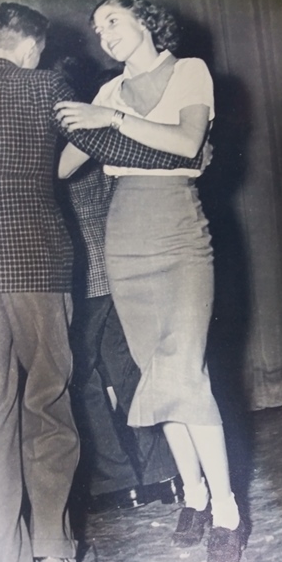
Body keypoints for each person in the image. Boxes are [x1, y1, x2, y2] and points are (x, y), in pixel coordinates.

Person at [0, 2, 208, 562]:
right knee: (49, 406)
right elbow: (108, 149)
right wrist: (186, 154)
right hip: (39, 269)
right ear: (31, 48)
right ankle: (54, 545)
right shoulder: (44, 87)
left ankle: (2, 560)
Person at [56, 0, 245, 562]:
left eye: (112, 20)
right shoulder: (107, 91)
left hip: (180, 230)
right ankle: (194, 495)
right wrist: (64, 117)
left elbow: (187, 143)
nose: (104, 33)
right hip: (125, 236)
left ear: (145, 20)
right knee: (158, 377)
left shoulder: (188, 71)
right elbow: (64, 165)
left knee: (186, 371)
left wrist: (112, 123)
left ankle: (228, 513)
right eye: (97, 28)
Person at [67, 160, 183, 514]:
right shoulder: (103, 136)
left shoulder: (56, 142)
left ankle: (117, 482)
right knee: (129, 370)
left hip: (82, 272)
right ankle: (165, 473)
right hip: (119, 263)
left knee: (82, 379)